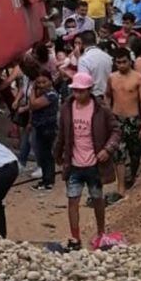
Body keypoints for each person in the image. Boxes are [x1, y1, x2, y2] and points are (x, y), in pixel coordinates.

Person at [55, 73, 120, 251]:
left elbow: (115, 130)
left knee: (97, 199)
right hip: (74, 164)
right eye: (75, 90)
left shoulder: (101, 110)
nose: (77, 94)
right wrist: (58, 155)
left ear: (89, 91)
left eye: (81, 91)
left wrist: (107, 149)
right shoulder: (67, 109)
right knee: (72, 200)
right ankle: (75, 238)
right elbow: (62, 134)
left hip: (94, 165)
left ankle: (100, 233)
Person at [106, 49, 141, 197]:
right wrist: (108, 117)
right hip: (117, 119)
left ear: (130, 61)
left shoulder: (139, 78)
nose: (121, 65)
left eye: (124, 62)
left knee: (134, 153)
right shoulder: (111, 78)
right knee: (118, 154)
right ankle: (121, 187)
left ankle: (133, 178)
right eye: (118, 62)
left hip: (133, 119)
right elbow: (108, 96)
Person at [28, 74, 59, 192]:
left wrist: (32, 90)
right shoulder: (43, 94)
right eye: (39, 83)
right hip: (40, 127)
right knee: (43, 154)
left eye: (44, 82)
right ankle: (46, 179)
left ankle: (48, 181)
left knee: (46, 155)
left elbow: (33, 105)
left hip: (47, 128)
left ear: (50, 82)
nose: (41, 85)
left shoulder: (51, 95)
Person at [76, 31, 112, 98]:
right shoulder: (107, 57)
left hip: (93, 97)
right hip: (107, 96)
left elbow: (83, 81)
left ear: (82, 43)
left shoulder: (84, 59)